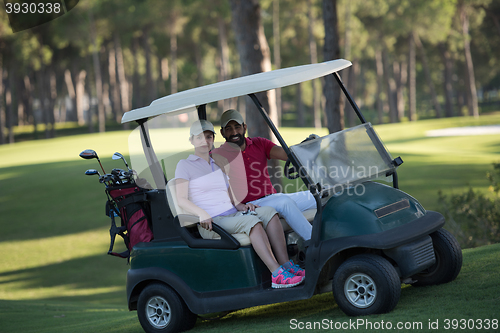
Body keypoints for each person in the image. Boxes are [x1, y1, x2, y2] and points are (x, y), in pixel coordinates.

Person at [174, 120, 305, 288]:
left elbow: (229, 192)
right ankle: (276, 274)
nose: (204, 141)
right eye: (199, 137)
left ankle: (286, 265)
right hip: (212, 222)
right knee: (252, 222)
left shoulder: (217, 163)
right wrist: (201, 213)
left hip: (231, 215)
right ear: (192, 140)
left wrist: (242, 206)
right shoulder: (184, 165)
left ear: (213, 139)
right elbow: (181, 199)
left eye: (208, 137)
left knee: (269, 213)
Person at [211, 109, 316, 242]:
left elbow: (287, 155)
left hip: (273, 197)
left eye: (237, 127)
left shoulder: (259, 143)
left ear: (244, 127)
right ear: (222, 132)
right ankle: (315, 242)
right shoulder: (217, 154)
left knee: (318, 195)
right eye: (229, 129)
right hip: (250, 205)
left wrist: (308, 147)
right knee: (284, 203)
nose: (234, 133)